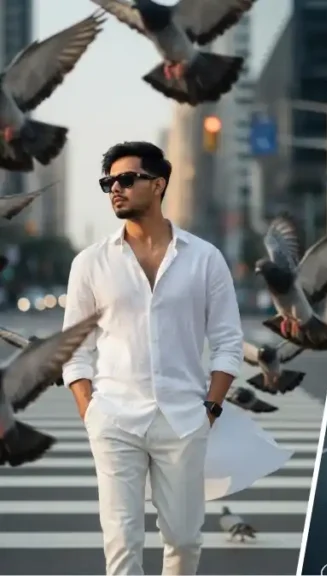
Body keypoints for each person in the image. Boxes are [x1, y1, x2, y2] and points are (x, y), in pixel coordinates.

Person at [62, 141, 244, 575]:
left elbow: (228, 342)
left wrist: (210, 410)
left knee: (183, 539)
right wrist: (90, 411)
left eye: (127, 179)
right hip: (114, 419)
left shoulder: (204, 258)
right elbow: (74, 350)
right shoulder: (90, 263)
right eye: (108, 182)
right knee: (121, 541)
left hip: (183, 419)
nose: (115, 189)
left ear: (158, 184)